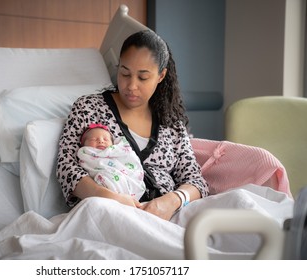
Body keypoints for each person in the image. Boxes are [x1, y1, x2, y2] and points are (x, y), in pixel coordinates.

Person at [57, 29, 209, 221]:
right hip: (106, 212)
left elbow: (195, 181)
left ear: (161, 76)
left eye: (143, 77)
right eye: (125, 73)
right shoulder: (89, 107)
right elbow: (66, 167)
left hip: (170, 216)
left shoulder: (171, 123)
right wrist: (111, 198)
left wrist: (170, 201)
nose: (131, 86)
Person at [77, 123, 146, 201]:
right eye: (94, 139)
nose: (101, 141)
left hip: (127, 182)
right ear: (84, 145)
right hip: (104, 190)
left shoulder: (117, 151)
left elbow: (129, 159)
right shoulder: (86, 154)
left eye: (105, 139)